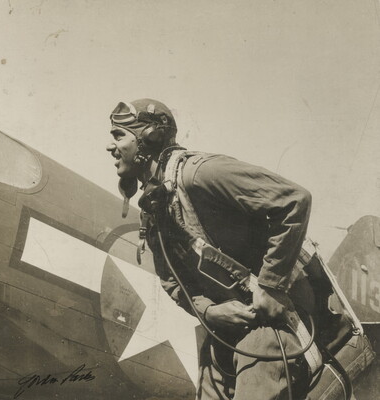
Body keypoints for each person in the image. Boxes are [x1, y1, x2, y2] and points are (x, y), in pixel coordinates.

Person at [106, 98, 315, 400]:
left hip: (271, 326)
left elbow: (294, 200)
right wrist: (210, 311)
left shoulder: (198, 173)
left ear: (149, 137)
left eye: (119, 135)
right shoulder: (154, 210)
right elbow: (172, 284)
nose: (110, 147)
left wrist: (271, 286)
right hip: (224, 336)